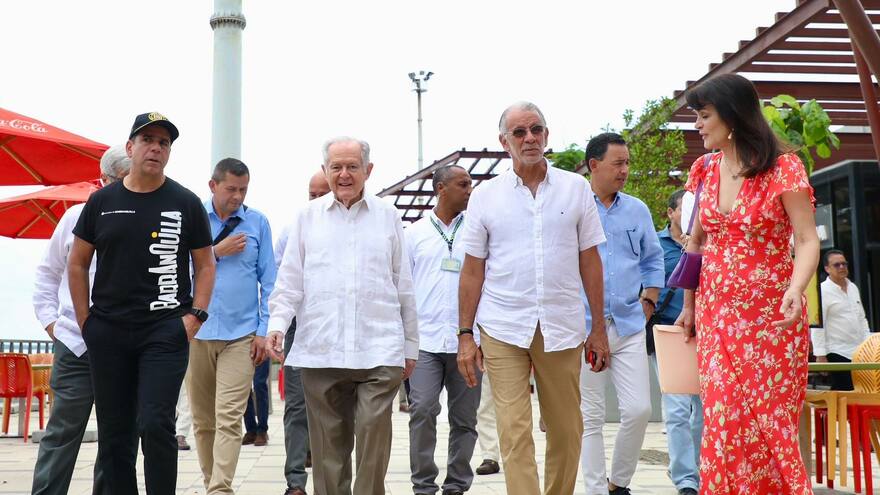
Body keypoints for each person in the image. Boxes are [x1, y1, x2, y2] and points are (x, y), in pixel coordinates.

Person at [677, 74, 819, 494]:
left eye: (704, 116)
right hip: (716, 314)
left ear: (733, 116)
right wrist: (688, 305)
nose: (698, 125)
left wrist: (796, 289)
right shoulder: (703, 169)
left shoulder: (783, 167)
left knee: (768, 422)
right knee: (723, 422)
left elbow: (808, 239)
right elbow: (696, 244)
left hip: (772, 318)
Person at [457, 102, 609, 494]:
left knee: (567, 428)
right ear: (504, 142)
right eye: (520, 132)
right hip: (503, 325)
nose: (529, 138)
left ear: (546, 135)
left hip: (562, 326)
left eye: (536, 130)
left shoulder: (576, 189)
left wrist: (598, 329)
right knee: (514, 430)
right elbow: (472, 270)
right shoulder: (486, 196)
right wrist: (464, 335)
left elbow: (590, 261)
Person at [68, 112, 216, 495]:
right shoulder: (102, 201)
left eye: (164, 143)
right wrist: (86, 321)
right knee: (116, 433)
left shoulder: (185, 202)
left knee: (155, 424)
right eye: (147, 139)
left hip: (164, 331)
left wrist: (195, 314)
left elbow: (205, 263)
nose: (156, 147)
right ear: (130, 147)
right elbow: (77, 262)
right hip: (109, 331)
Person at [265, 137, 418, 495]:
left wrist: (410, 345)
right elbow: (289, 283)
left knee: (372, 437)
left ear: (369, 170)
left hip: (378, 348)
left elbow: (404, 285)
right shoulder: (305, 218)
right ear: (325, 170)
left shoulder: (388, 217)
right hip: (321, 350)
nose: (344, 174)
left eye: (352, 167)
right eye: (336, 167)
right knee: (328, 452)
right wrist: (277, 325)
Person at [31, 145, 131, 495]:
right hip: (75, 343)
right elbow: (47, 275)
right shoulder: (75, 218)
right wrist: (52, 325)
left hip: (122, 347)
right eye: (118, 180)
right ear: (102, 181)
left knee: (117, 438)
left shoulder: (142, 220)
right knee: (61, 434)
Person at [579, 132, 665, 495]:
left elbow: (653, 257)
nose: (625, 170)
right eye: (618, 163)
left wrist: (649, 300)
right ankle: (597, 490)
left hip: (630, 323)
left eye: (627, 163)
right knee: (591, 416)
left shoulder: (637, 209)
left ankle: (619, 482)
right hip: (583, 327)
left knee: (639, 409)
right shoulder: (575, 207)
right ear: (594, 165)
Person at [187, 157, 276, 493]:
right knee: (203, 421)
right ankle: (213, 482)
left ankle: (220, 488)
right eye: (231, 189)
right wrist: (215, 251)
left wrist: (263, 331)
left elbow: (270, 281)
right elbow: (177, 270)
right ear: (213, 186)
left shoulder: (258, 223)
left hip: (242, 334)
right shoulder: (191, 218)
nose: (238, 196)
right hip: (197, 331)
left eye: (243, 190)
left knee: (229, 418)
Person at [405, 165, 479, 495]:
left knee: (464, 418)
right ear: (440, 189)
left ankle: (457, 485)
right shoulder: (414, 234)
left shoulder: (478, 231)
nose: (470, 190)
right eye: (463, 184)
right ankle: (423, 485)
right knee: (422, 410)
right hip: (425, 342)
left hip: (469, 342)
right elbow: (402, 289)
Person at [272, 170, 330, 495]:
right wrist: (276, 327)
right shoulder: (292, 229)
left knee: (332, 406)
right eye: (313, 194)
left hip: (334, 326)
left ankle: (328, 476)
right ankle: (295, 481)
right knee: (296, 404)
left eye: (324, 194)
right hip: (298, 327)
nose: (318, 201)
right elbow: (282, 281)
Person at [655, 189, 702, 495]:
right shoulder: (656, 245)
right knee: (676, 409)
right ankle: (685, 479)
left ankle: (697, 468)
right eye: (682, 209)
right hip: (670, 335)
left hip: (704, 333)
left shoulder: (707, 241)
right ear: (671, 213)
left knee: (703, 409)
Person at [812, 249, 871, 390]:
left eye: (844, 264)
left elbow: (862, 318)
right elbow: (818, 325)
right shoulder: (822, 291)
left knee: (861, 390)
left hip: (859, 352)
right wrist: (820, 356)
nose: (842, 267)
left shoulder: (853, 287)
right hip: (837, 351)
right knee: (844, 389)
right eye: (837, 265)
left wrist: (868, 344)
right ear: (827, 269)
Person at [474, 374, 501, 476]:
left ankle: (519, 455)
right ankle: (490, 457)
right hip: (486, 360)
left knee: (514, 407)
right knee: (485, 405)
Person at [242, 360, 270, 446]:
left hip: (262, 348)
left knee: (259, 384)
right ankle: (251, 430)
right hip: (241, 348)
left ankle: (262, 430)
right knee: (244, 386)